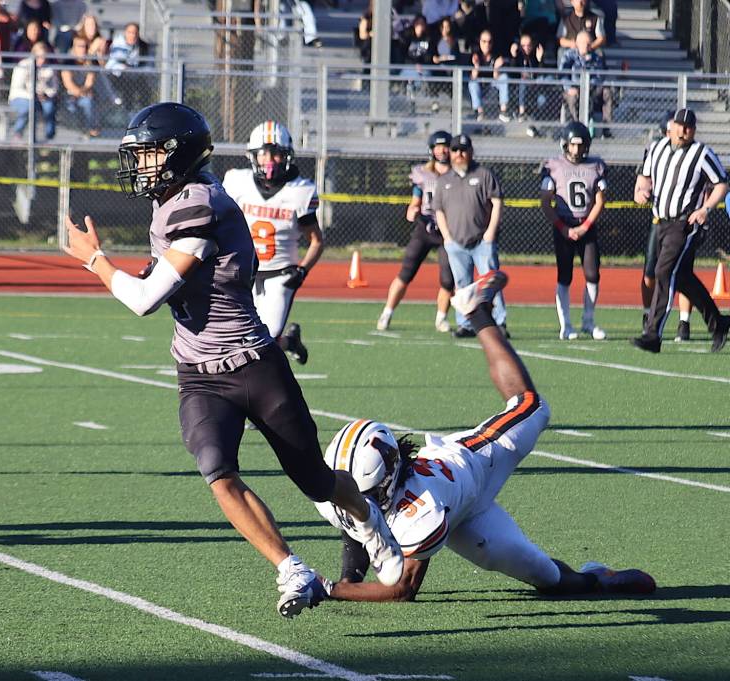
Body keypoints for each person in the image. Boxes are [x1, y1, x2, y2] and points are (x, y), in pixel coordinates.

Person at [62, 102, 405, 618]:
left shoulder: (198, 203)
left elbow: (143, 299)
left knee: (314, 479)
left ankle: (367, 517)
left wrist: (95, 260)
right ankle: (292, 569)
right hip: (199, 374)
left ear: (177, 155)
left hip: (252, 364)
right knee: (217, 471)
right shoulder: (178, 198)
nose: (141, 164)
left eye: (151, 153)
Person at [311, 270, 657, 603]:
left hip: (474, 463)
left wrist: (329, 589)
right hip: (459, 511)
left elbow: (403, 589)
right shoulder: (346, 487)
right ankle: (592, 578)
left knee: (532, 407)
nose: (356, 497)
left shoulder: (421, 508)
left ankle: (474, 310)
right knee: (547, 576)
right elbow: (355, 518)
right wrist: (349, 581)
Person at [223, 121, 322, 365]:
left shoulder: (300, 191)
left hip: (280, 274)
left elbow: (317, 241)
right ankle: (291, 343)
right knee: (240, 336)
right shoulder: (237, 182)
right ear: (252, 155)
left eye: (276, 153)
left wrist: (303, 270)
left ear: (287, 156)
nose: (270, 160)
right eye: (264, 153)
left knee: (265, 339)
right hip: (242, 270)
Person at [632, 108, 730, 353]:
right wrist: (641, 193)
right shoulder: (656, 149)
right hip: (661, 220)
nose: (683, 130)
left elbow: (721, 183)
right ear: (671, 126)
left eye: (688, 127)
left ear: (694, 130)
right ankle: (718, 323)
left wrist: (706, 208)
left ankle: (653, 334)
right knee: (682, 277)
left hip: (685, 223)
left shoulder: (701, 153)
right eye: (680, 125)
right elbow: (644, 178)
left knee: (663, 271)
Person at [376, 130, 455, 334]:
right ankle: (387, 312)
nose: (443, 150)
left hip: (449, 231)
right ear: (431, 149)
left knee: (448, 279)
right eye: (439, 146)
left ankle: (441, 318)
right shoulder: (423, 173)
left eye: (446, 146)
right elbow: (416, 200)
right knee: (405, 273)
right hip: (426, 227)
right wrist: (412, 210)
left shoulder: (457, 174)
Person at [433, 133, 506, 337]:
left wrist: (491, 231)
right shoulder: (445, 180)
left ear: (471, 152)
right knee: (463, 286)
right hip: (456, 243)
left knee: (490, 283)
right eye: (455, 150)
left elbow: (497, 201)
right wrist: (447, 237)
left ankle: (499, 322)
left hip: (481, 240)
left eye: (464, 150)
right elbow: (438, 210)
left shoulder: (483, 174)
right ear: (450, 153)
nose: (460, 154)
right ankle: (466, 324)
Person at [540, 121, 607, 340]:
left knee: (592, 274)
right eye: (573, 145)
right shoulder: (553, 165)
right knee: (564, 276)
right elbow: (545, 202)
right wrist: (563, 228)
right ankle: (566, 325)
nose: (576, 150)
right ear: (565, 144)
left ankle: (588, 321)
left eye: (580, 145)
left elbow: (600, 201)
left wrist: (585, 226)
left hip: (586, 225)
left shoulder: (596, 166)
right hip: (563, 226)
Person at [559, 31, 613, 136]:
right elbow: (562, 74)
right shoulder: (568, 56)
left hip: (592, 87)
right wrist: (569, 87)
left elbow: (600, 75)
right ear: (577, 43)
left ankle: (606, 127)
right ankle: (576, 127)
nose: (587, 46)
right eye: (584, 43)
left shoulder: (597, 56)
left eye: (589, 43)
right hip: (575, 87)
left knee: (607, 92)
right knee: (572, 97)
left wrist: (589, 61)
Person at [8, 41, 57, 140]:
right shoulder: (23, 65)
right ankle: (18, 133)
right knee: (29, 106)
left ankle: (49, 137)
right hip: (21, 97)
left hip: (41, 98)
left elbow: (54, 88)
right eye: (39, 56)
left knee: (49, 107)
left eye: (44, 56)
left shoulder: (49, 68)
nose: (42, 60)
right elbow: (17, 87)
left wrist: (46, 94)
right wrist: (33, 95)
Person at [60, 35, 100, 137]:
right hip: (69, 95)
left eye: (86, 46)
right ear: (74, 48)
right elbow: (68, 84)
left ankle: (89, 130)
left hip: (85, 94)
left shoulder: (91, 62)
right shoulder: (67, 62)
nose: (83, 49)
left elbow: (89, 83)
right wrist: (78, 92)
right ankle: (78, 131)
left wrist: (82, 92)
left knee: (88, 102)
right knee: (71, 107)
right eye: (80, 46)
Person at [468, 30, 511, 122]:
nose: (487, 44)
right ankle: (479, 112)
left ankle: (503, 111)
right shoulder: (475, 55)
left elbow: (496, 77)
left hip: (492, 86)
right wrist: (476, 66)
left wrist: (496, 68)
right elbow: (473, 77)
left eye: (489, 42)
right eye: (484, 41)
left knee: (504, 77)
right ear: (480, 42)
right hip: (480, 86)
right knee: (472, 83)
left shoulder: (496, 55)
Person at [105, 22, 151, 109]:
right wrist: (124, 67)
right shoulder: (118, 44)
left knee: (144, 87)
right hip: (117, 78)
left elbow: (147, 66)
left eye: (135, 33)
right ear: (125, 33)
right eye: (130, 32)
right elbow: (111, 65)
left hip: (135, 77)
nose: (132, 35)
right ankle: (127, 109)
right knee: (127, 84)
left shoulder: (142, 47)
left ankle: (143, 109)